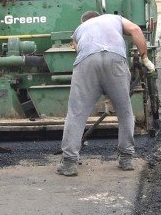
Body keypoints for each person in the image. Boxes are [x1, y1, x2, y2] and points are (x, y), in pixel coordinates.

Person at [56, 11, 155, 177]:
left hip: (87, 63)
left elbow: (79, 51)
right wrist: (145, 59)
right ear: (99, 16)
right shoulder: (113, 18)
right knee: (124, 112)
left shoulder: (79, 30)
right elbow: (136, 30)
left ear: (85, 21)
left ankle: (69, 162)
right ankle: (126, 158)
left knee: (76, 114)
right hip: (116, 60)